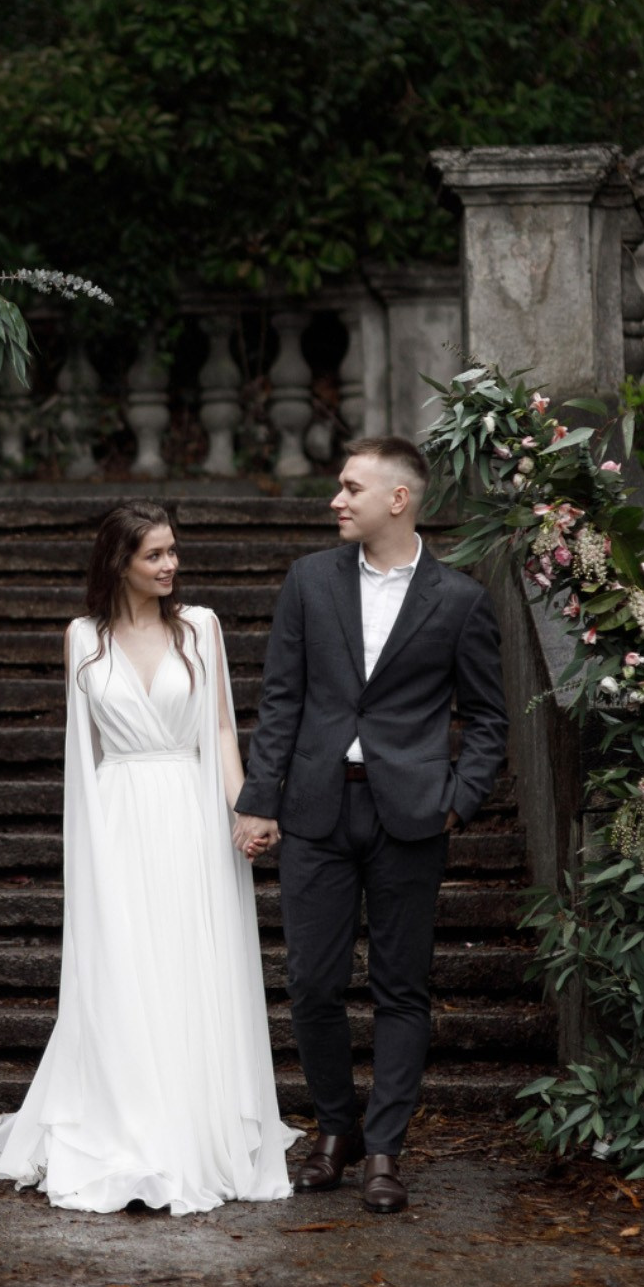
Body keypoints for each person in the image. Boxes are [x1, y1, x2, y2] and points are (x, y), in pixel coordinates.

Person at [0, 501, 297, 1213]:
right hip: (119, 815)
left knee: (191, 965)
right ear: (120, 562)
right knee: (126, 967)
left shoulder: (202, 627)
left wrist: (244, 808)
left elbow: (224, 728)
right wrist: (92, 856)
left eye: (174, 551)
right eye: (155, 555)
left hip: (191, 810)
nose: (170, 565)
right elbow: (86, 756)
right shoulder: (83, 639)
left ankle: (198, 1124)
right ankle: (128, 1124)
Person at [232, 436, 508, 1215]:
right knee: (312, 983)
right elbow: (282, 697)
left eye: (352, 487)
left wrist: (459, 796)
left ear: (399, 499)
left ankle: (385, 1147)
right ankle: (336, 1130)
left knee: (399, 988)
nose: (336, 500)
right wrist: (260, 796)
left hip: (412, 813)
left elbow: (488, 716)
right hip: (317, 807)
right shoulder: (310, 581)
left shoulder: (459, 599)